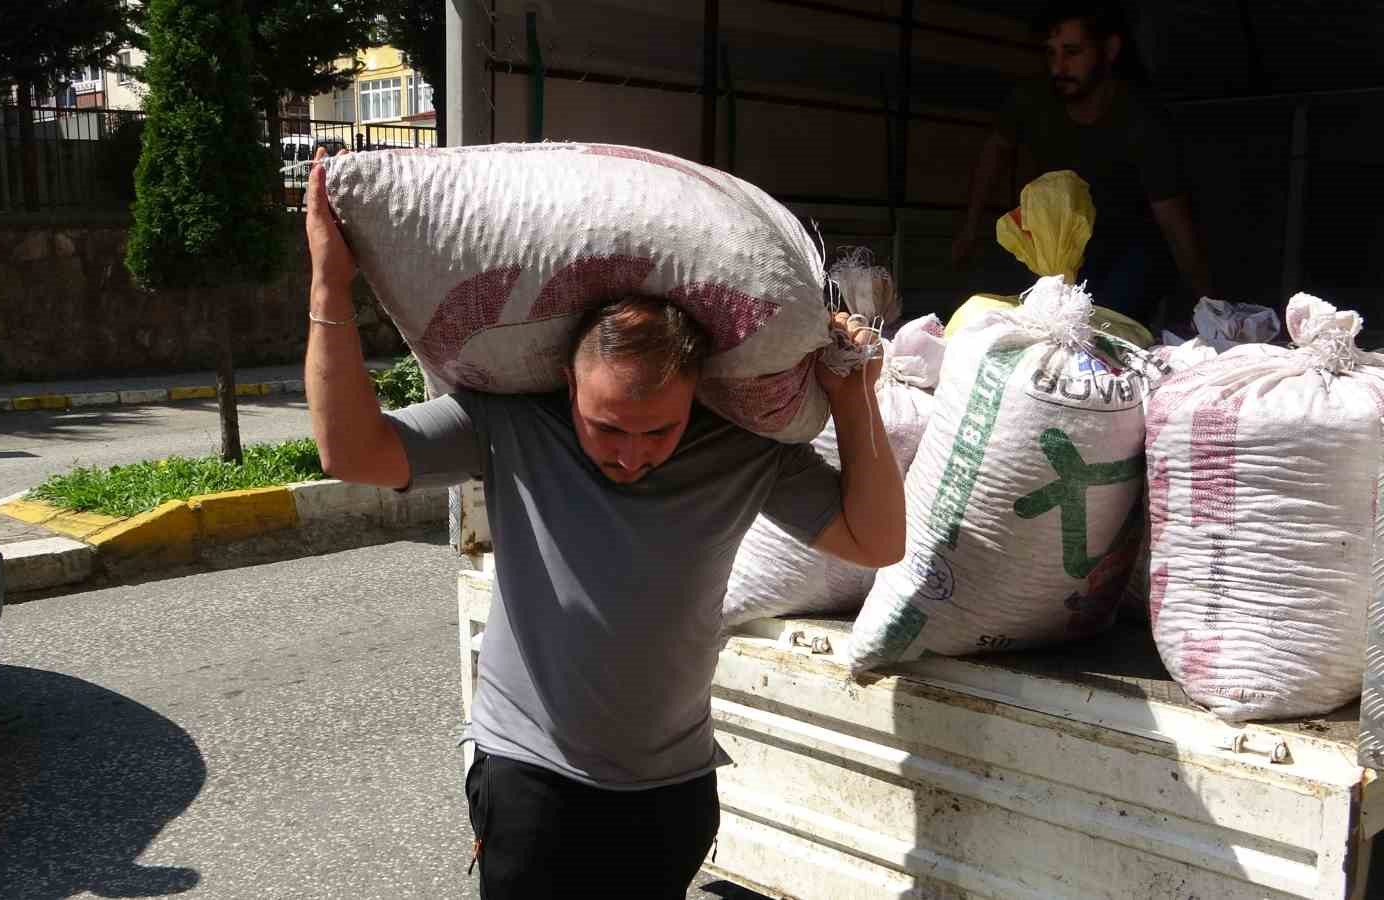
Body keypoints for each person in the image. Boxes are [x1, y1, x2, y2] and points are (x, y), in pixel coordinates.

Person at [302, 149, 906, 899]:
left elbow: (876, 540)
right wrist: (330, 283)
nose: (632, 455)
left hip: (672, 793)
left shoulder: (742, 448)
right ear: (566, 381)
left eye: (660, 431)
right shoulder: (509, 424)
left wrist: (854, 394)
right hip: (531, 783)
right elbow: (351, 451)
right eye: (607, 427)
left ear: (696, 395)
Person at [952, 1, 1211, 327]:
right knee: (1011, 318)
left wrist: (1208, 302)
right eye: (1051, 53)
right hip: (1057, 244)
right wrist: (970, 228)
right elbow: (996, 150)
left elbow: (1172, 218)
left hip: (1127, 243)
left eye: (1072, 52)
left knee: (1103, 326)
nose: (1058, 67)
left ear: (1110, 49)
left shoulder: (1140, 119)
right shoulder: (1033, 100)